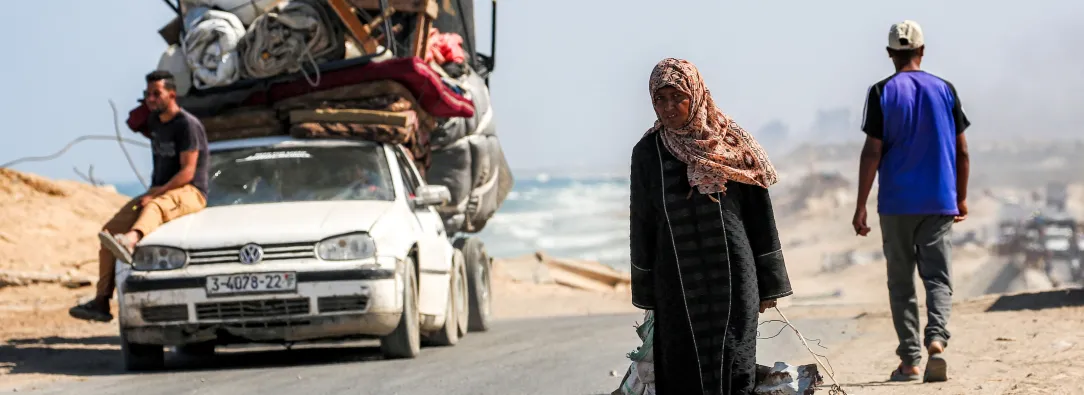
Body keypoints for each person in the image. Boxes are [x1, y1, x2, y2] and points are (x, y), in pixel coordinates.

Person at [629, 58, 793, 394]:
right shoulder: (647, 153)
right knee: (679, 365)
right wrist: (645, 291)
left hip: (733, 278)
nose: (669, 107)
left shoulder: (732, 143)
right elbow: (642, 222)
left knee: (735, 364)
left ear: (696, 93)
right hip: (674, 280)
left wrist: (770, 283)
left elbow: (760, 215)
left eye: (678, 96)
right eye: (660, 99)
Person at [851, 20, 971, 383]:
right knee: (937, 277)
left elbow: (872, 151)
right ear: (922, 51)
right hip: (938, 201)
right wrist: (961, 198)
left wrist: (860, 205)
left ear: (890, 54)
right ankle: (936, 337)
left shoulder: (881, 91)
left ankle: (910, 361)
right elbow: (962, 152)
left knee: (901, 281)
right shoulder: (945, 90)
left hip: (897, 203)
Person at [69, 70, 210, 323]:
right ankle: (101, 301)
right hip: (159, 190)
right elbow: (134, 123)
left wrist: (156, 192)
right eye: (147, 94)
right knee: (109, 231)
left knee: (154, 205)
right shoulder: (156, 122)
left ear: (172, 94)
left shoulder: (187, 125)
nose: (151, 99)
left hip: (190, 192)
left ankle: (131, 241)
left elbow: (188, 172)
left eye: (156, 94)